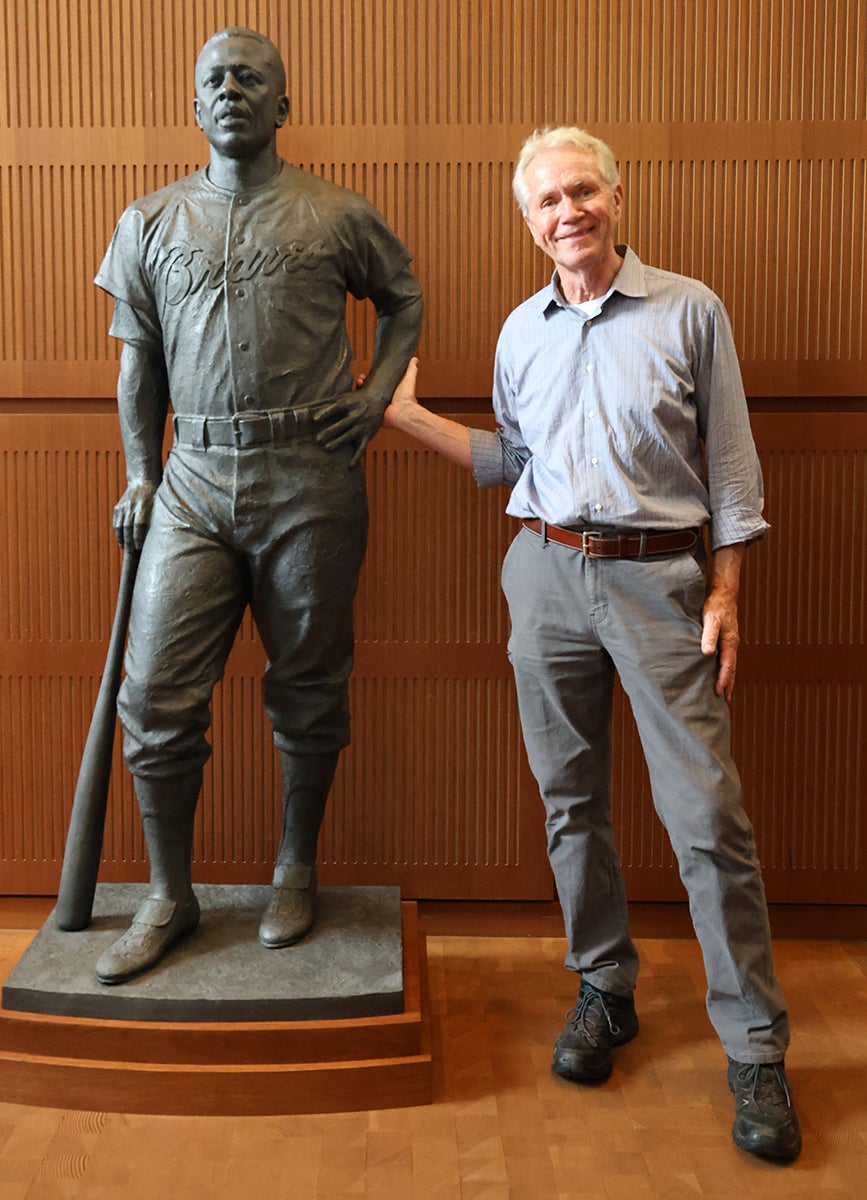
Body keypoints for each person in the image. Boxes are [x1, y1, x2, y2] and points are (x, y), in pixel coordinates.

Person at [384, 126, 801, 1161]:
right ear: (528, 223)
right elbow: (511, 461)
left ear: (618, 197)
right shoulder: (519, 332)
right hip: (544, 575)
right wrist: (402, 415)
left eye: (583, 192)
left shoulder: (689, 310)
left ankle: (754, 1049)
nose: (567, 212)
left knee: (705, 817)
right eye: (546, 202)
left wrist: (729, 592)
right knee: (572, 802)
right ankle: (605, 989)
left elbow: (735, 469)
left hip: (662, 581)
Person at [92, 27, 422, 986]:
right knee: (153, 694)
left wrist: (376, 400)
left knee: (309, 687)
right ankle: (169, 893)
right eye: (213, 79)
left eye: (251, 78)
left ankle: (295, 867)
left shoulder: (336, 214)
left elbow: (404, 300)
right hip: (191, 481)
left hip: (309, 480)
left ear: (283, 105)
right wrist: (139, 472)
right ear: (193, 107)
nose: (230, 89)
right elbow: (135, 362)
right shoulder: (147, 222)